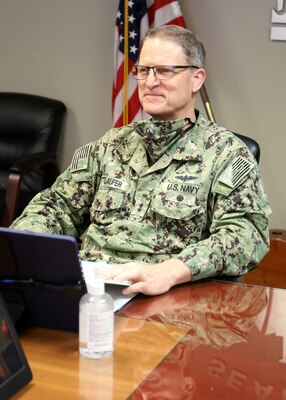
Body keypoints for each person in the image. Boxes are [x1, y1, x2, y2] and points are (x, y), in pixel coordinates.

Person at [11, 25, 271, 296]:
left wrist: (170, 271)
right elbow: (55, 206)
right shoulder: (111, 144)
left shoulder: (226, 154)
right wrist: (31, 245)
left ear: (196, 78)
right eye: (144, 70)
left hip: (171, 296)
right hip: (93, 289)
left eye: (165, 70)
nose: (150, 81)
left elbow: (245, 236)